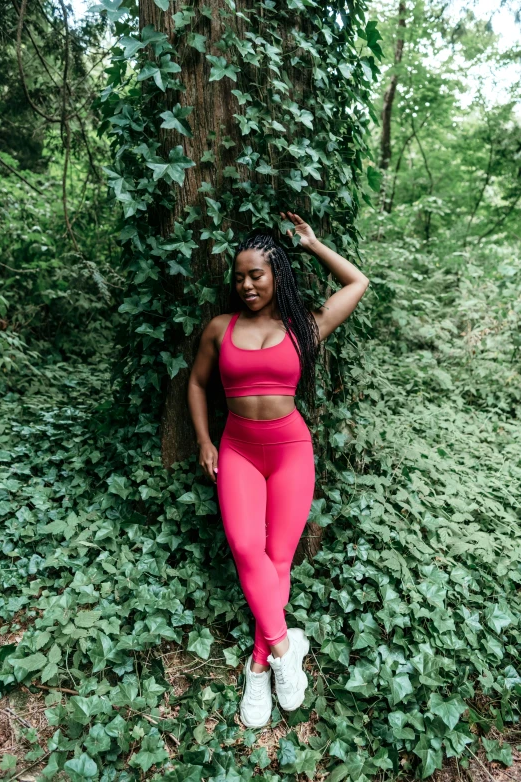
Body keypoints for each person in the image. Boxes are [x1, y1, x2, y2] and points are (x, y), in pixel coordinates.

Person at [187, 211, 370, 728]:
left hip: (291, 449)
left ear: (277, 276)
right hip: (238, 450)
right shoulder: (220, 328)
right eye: (239, 276)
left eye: (257, 275)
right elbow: (197, 385)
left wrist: (312, 244)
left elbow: (358, 281)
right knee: (247, 549)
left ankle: (260, 667)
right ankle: (287, 647)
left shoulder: (305, 326)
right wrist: (203, 441)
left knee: (277, 559)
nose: (246, 284)